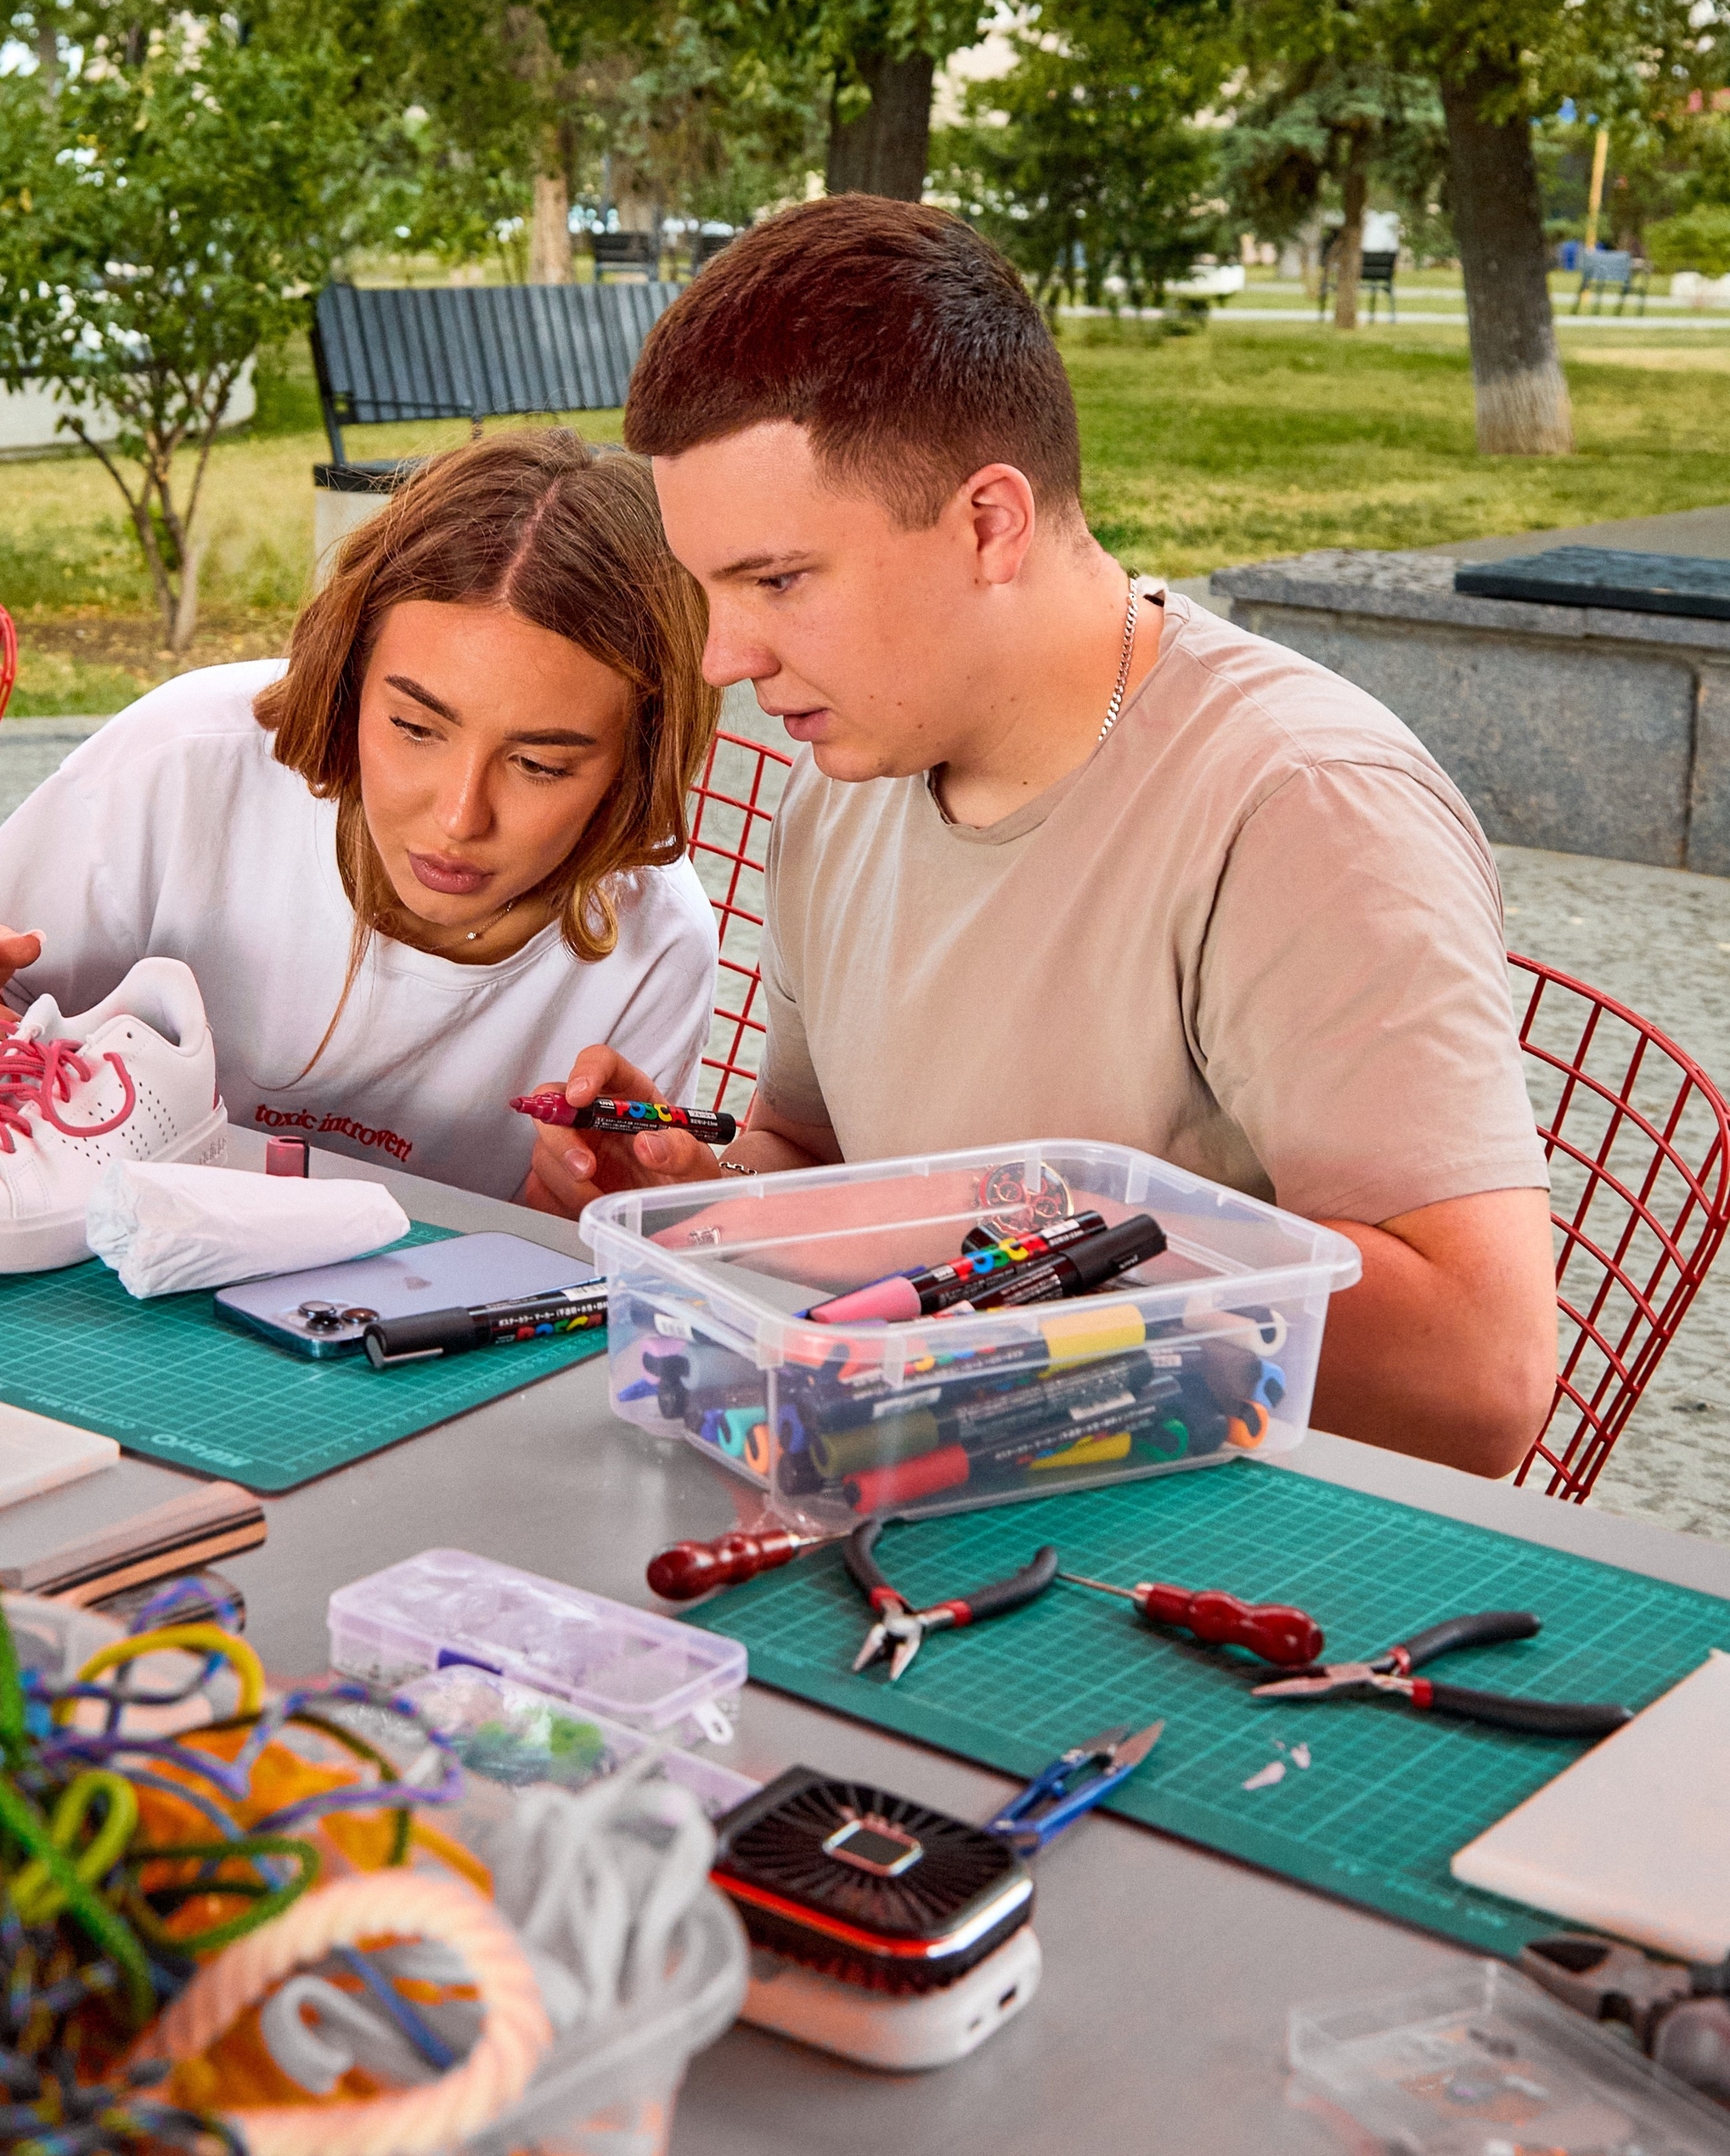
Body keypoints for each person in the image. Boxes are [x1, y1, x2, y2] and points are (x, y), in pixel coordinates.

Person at [521, 197, 1558, 1476]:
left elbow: (1483, 1381)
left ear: (989, 524)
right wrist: (710, 1198)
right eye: (709, 589)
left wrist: (1023, 1222)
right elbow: (825, 1158)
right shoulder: (847, 774)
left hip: (1212, 1529)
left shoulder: (1305, 807)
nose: (727, 659)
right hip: (927, 1478)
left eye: (777, 581)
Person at [0, 430, 720, 1200]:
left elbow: (548, 1256)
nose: (460, 816)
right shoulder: (184, 759)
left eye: (540, 764)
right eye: (415, 727)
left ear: (636, 756)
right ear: (348, 675)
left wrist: (575, 1215)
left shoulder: (660, 940)